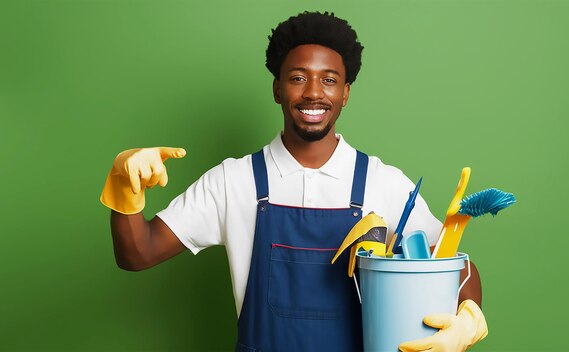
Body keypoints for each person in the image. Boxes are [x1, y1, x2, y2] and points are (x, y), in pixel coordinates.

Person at [100, 11, 487, 352]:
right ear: (277, 89)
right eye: (298, 78)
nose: (314, 92)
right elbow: (137, 253)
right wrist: (124, 186)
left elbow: (455, 268)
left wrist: (467, 318)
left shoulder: (383, 184)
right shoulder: (233, 181)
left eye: (329, 80)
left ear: (346, 93)